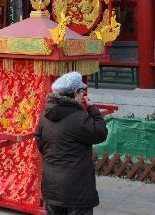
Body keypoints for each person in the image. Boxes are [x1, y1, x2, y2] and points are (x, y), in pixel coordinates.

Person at [35, 71, 108, 215]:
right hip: (76, 190)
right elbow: (101, 133)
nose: (83, 94)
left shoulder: (45, 115)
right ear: (75, 93)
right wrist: (93, 109)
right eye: (82, 91)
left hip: (51, 186)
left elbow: (40, 143)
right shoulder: (79, 118)